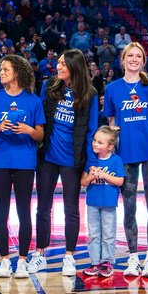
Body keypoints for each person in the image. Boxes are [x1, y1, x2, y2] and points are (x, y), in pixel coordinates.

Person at [33, 48, 100, 277]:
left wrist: (90, 165)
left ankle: (69, 257)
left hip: (73, 160)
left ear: (75, 67)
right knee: (43, 207)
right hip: (47, 158)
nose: (58, 67)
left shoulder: (89, 94)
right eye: (58, 63)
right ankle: (40, 254)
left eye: (63, 64)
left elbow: (91, 132)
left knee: (71, 210)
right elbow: (40, 119)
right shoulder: (49, 86)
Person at [103, 42, 148, 278]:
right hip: (125, 151)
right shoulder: (112, 89)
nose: (134, 59)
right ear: (123, 59)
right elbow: (111, 125)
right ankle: (132, 258)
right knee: (129, 207)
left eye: (138, 56)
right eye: (130, 55)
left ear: (143, 60)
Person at [0, 55, 45, 278]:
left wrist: (27, 130)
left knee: (23, 211)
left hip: (25, 163)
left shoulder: (33, 101)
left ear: (17, 72)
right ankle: (4, 261)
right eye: (0, 69)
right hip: (0, 162)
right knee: (1, 212)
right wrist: (0, 126)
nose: (1, 72)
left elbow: (40, 134)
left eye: (5, 69)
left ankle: (21, 260)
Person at [81, 126, 125, 273]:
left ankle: (107, 262)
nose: (95, 144)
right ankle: (94, 262)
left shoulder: (116, 160)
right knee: (93, 234)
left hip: (109, 203)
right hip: (92, 203)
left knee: (108, 234)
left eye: (100, 142)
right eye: (94, 141)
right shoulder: (91, 160)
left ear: (110, 146)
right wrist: (91, 176)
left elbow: (120, 181)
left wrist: (103, 175)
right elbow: (83, 182)